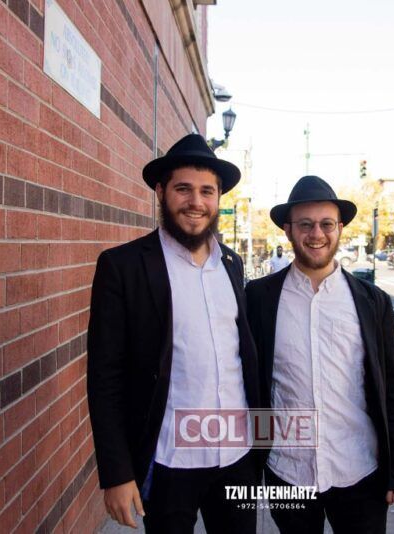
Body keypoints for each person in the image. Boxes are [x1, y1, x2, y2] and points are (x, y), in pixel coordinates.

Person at [86, 134, 260, 533]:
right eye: (183, 189)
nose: (196, 202)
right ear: (161, 192)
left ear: (218, 198)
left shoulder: (231, 264)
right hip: (169, 462)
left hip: (237, 457)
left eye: (206, 191)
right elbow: (104, 377)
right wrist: (116, 473)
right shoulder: (123, 266)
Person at [245, 175, 394, 534]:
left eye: (326, 224)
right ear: (288, 230)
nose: (316, 234)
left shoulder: (372, 301)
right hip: (288, 469)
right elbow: (248, 384)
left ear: (340, 229)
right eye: (305, 224)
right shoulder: (258, 298)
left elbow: (393, 392)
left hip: (359, 469)